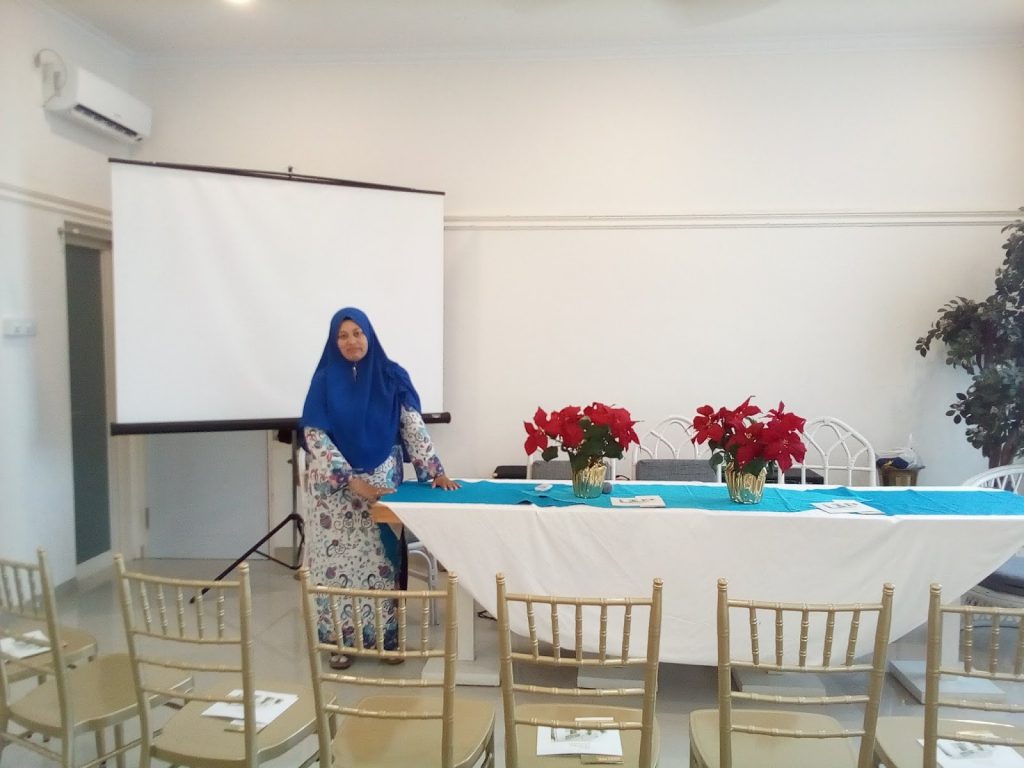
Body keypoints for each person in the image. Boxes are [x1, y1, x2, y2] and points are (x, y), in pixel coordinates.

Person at [300, 307, 458, 669]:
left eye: (357, 333)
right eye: (343, 335)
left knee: (383, 567)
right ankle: (340, 642)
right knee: (336, 568)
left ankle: (387, 639)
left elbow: (411, 425)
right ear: (334, 341)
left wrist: (435, 471)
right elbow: (315, 435)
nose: (351, 341)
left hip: (382, 488)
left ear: (369, 335)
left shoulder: (391, 376)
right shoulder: (323, 381)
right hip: (334, 497)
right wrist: (351, 480)